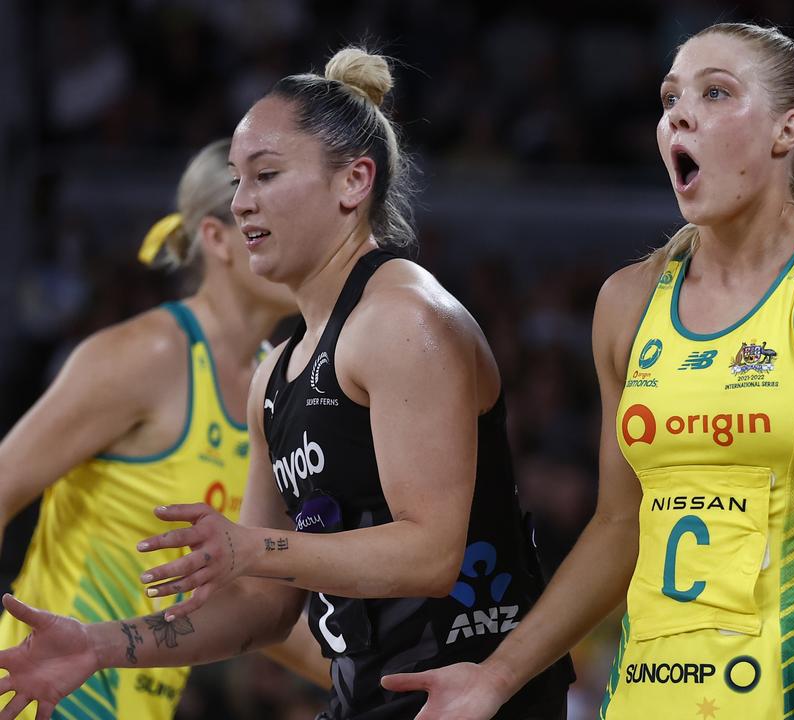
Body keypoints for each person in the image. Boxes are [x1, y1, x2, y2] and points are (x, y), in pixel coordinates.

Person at [0, 48, 570, 720]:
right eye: (238, 181)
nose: (243, 203)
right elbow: (261, 609)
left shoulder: (402, 320)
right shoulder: (276, 373)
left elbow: (432, 552)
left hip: (465, 699)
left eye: (266, 176)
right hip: (367, 694)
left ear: (354, 182)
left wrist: (252, 548)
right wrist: (97, 646)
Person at [382, 21, 794, 720]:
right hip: (649, 695)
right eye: (671, 98)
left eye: (716, 92)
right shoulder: (628, 301)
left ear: (786, 132)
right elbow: (619, 524)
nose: (680, 113)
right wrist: (495, 677)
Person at [0, 138, 328, 720]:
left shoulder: (274, 384)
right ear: (217, 238)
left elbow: (253, 608)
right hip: (37, 702)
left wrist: (393, 683)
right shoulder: (147, 355)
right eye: (277, 225)